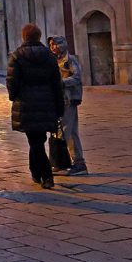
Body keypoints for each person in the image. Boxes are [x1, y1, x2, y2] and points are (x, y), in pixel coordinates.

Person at [7, 23, 65, 189]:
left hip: (26, 103)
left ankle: (46, 175)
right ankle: (35, 171)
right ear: (39, 37)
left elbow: (12, 81)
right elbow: (57, 84)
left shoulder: (17, 56)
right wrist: (59, 107)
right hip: (47, 102)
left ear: (24, 36)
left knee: (35, 141)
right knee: (38, 140)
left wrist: (14, 97)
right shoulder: (49, 56)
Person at [48, 35, 88, 176]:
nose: (53, 47)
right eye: (51, 44)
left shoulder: (70, 60)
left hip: (69, 100)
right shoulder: (53, 60)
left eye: (55, 44)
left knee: (64, 131)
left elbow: (77, 77)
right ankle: (75, 162)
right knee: (68, 131)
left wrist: (63, 83)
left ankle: (68, 162)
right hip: (59, 99)